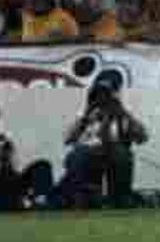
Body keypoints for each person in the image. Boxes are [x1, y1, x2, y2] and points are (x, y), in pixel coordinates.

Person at [62, 77, 149, 208]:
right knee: (78, 154)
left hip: (113, 152)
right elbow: (68, 139)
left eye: (105, 96)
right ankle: (81, 197)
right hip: (87, 152)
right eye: (97, 96)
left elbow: (143, 137)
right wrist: (85, 118)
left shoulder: (122, 116)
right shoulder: (85, 116)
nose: (101, 100)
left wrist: (124, 113)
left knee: (122, 154)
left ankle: (119, 198)